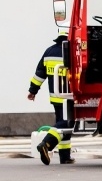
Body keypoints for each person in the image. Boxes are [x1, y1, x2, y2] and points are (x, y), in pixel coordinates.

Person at [27, 29, 75, 165]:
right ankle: (46, 144)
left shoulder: (49, 52)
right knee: (65, 124)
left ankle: (65, 157)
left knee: (64, 123)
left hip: (55, 97)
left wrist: (32, 91)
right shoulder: (71, 51)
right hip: (68, 95)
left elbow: (39, 74)